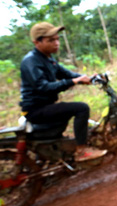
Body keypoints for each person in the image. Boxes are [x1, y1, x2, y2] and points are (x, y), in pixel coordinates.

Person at [20, 22, 107, 162]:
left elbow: (67, 74)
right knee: (81, 108)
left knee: (67, 111)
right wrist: (74, 82)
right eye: (51, 40)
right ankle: (82, 150)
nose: (56, 43)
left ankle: (46, 157)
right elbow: (43, 87)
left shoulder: (47, 58)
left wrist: (90, 79)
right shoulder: (31, 61)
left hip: (44, 106)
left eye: (57, 39)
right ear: (37, 42)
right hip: (36, 110)